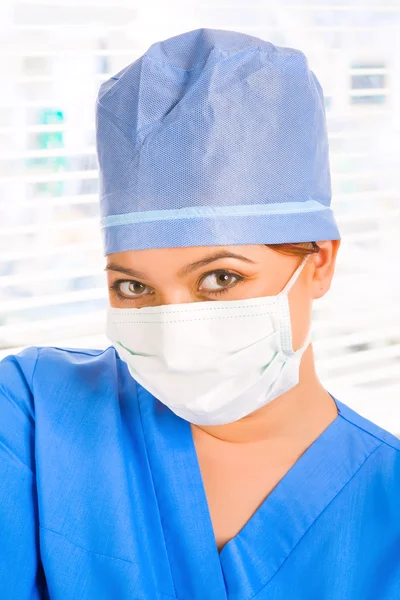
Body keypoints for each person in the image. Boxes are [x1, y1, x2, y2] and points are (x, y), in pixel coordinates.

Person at [1, 28, 399, 600]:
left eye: (220, 279)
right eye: (134, 286)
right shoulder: (32, 414)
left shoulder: (388, 504)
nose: (175, 335)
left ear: (319, 264)